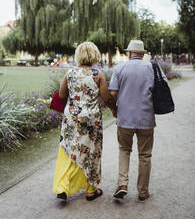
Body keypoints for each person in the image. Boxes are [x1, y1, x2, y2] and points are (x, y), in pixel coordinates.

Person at [53, 41, 116, 202]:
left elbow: (61, 95)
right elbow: (106, 97)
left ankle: (62, 187)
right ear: (94, 55)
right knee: (92, 151)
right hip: (91, 119)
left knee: (69, 148)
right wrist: (114, 108)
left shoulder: (70, 73)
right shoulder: (98, 74)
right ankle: (91, 189)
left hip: (71, 118)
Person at [109, 39, 168, 202]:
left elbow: (112, 93)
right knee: (145, 155)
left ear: (129, 53)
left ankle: (122, 184)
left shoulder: (119, 68)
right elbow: (164, 87)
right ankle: (143, 192)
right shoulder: (153, 68)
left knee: (124, 150)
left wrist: (114, 109)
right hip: (146, 118)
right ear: (142, 54)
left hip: (124, 118)